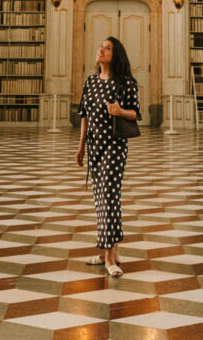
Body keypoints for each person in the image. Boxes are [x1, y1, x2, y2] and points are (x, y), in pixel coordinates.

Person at [75, 37, 140, 277]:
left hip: (115, 146)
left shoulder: (125, 83)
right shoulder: (90, 82)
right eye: (101, 46)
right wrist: (81, 147)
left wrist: (120, 111)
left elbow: (135, 113)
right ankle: (112, 252)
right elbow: (85, 117)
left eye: (108, 48)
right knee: (101, 199)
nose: (101, 49)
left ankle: (109, 259)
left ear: (116, 55)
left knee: (108, 197)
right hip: (95, 147)